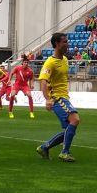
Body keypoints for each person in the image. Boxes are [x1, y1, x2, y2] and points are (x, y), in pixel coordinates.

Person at [37, 33, 79, 163]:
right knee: (75, 119)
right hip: (57, 98)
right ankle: (64, 152)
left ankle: (44, 147)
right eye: (64, 42)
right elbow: (43, 81)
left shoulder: (65, 60)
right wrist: (47, 99)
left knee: (69, 130)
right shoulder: (50, 62)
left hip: (64, 97)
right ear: (56, 44)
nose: (67, 44)